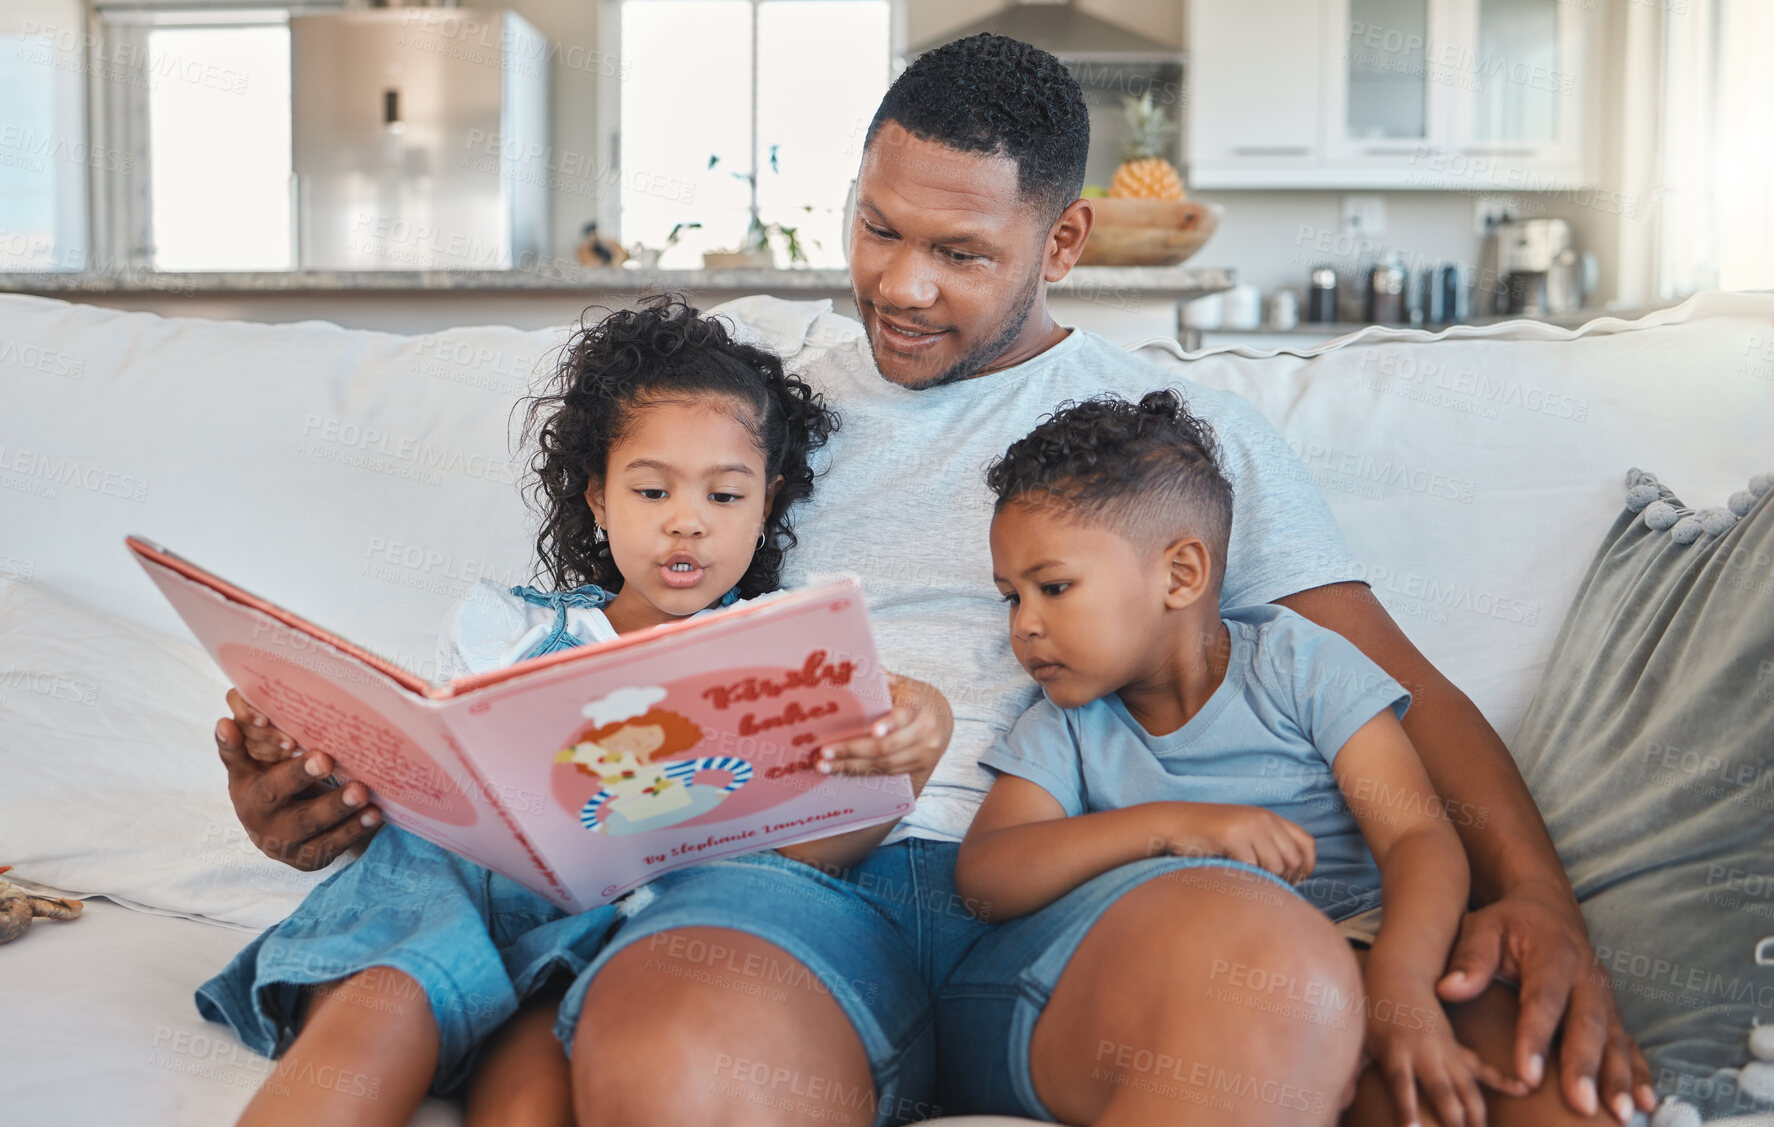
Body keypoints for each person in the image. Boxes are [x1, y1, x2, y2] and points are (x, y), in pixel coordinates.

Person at [216, 34, 1656, 1127]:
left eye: (962, 252)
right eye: (878, 227)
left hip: (1083, 875)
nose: (902, 285)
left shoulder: (1164, 444)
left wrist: (1536, 895)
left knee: (1271, 976)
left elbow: (1388, 682)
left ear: (1062, 241)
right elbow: (584, 683)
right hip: (789, 887)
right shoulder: (741, 411)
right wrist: (360, 793)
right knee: (673, 1040)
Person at [202, 294, 953, 1127]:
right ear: (598, 497)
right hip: (441, 889)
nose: (687, 521)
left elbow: (805, 850)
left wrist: (911, 748)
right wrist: (324, 749)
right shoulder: (512, 626)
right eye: (652, 489)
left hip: (592, 937)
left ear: (767, 503)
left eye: (726, 497)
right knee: (389, 994)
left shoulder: (784, 663)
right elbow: (432, 768)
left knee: (534, 1084)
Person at [959, 390, 1539, 1127]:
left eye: (1054, 587)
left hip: (1383, 939)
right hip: (1226, 988)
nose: (1025, 627)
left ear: (1180, 575)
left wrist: (1402, 978)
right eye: (1011, 597)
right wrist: (1172, 825)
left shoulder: (1300, 662)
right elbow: (987, 875)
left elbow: (1419, 837)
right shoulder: (1069, 722)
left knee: (1502, 1061)